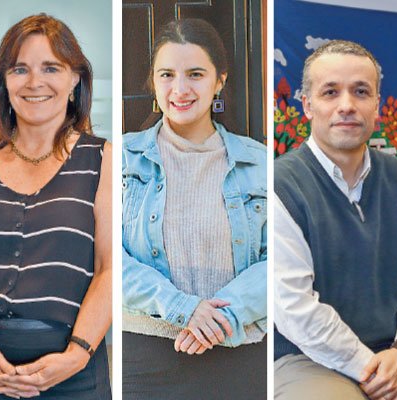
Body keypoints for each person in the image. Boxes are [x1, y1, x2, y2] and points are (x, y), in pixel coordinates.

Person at [0, 14, 112, 399]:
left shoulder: (103, 159)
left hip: (73, 375)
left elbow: (110, 268)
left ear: (75, 78)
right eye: (20, 69)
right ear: (3, 80)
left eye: (51, 67)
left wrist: (76, 355)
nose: (35, 82)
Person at [122, 18, 267, 399]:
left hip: (241, 356)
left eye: (196, 74)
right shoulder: (121, 158)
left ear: (220, 80)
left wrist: (222, 319)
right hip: (145, 357)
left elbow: (283, 260)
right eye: (167, 74)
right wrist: (183, 309)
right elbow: (105, 257)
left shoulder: (261, 163)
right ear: (153, 82)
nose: (180, 89)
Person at [274, 40, 397, 400]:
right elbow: (295, 308)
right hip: (307, 359)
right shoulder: (279, 186)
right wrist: (377, 372)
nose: (347, 106)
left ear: (377, 105)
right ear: (306, 104)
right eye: (331, 92)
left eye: (361, 92)